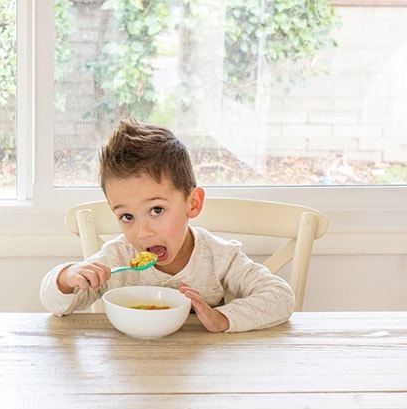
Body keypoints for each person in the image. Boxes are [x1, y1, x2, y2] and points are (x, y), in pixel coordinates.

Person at [40, 119, 295, 332]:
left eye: (157, 210)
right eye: (127, 217)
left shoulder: (220, 258)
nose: (142, 232)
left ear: (192, 204)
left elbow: (281, 297)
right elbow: (55, 304)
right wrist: (66, 277)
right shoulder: (117, 258)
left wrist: (223, 318)